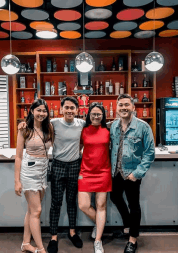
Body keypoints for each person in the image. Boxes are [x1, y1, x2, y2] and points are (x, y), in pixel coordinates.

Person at [18, 96, 85, 253]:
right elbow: (33, 125)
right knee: (56, 202)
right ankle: (53, 236)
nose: (69, 110)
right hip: (57, 165)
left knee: (71, 201)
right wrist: (23, 123)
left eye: (72, 108)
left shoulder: (82, 124)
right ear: (61, 109)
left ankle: (72, 232)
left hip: (75, 166)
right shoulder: (52, 123)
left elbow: (86, 137)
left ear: (77, 110)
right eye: (66, 107)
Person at [110, 94, 155, 253]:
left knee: (134, 206)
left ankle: (132, 240)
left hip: (132, 174)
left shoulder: (143, 127)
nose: (123, 108)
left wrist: (138, 173)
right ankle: (128, 225)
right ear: (116, 108)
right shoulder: (113, 126)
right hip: (115, 172)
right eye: (120, 105)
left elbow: (150, 152)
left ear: (133, 107)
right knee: (114, 197)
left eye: (126, 105)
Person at [15, 99, 53, 253]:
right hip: (29, 172)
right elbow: (18, 156)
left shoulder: (49, 127)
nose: (41, 113)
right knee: (36, 211)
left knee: (31, 210)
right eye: (39, 110)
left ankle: (26, 243)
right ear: (32, 111)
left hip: (43, 171)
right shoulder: (24, 129)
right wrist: (17, 181)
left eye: (44, 111)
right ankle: (41, 249)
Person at [78, 102, 112, 253]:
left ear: (103, 115)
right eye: (93, 114)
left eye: (99, 114)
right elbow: (78, 148)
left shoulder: (108, 130)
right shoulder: (83, 130)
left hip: (103, 172)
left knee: (101, 206)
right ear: (89, 115)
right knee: (83, 205)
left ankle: (98, 241)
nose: (96, 116)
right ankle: (99, 224)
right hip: (85, 172)